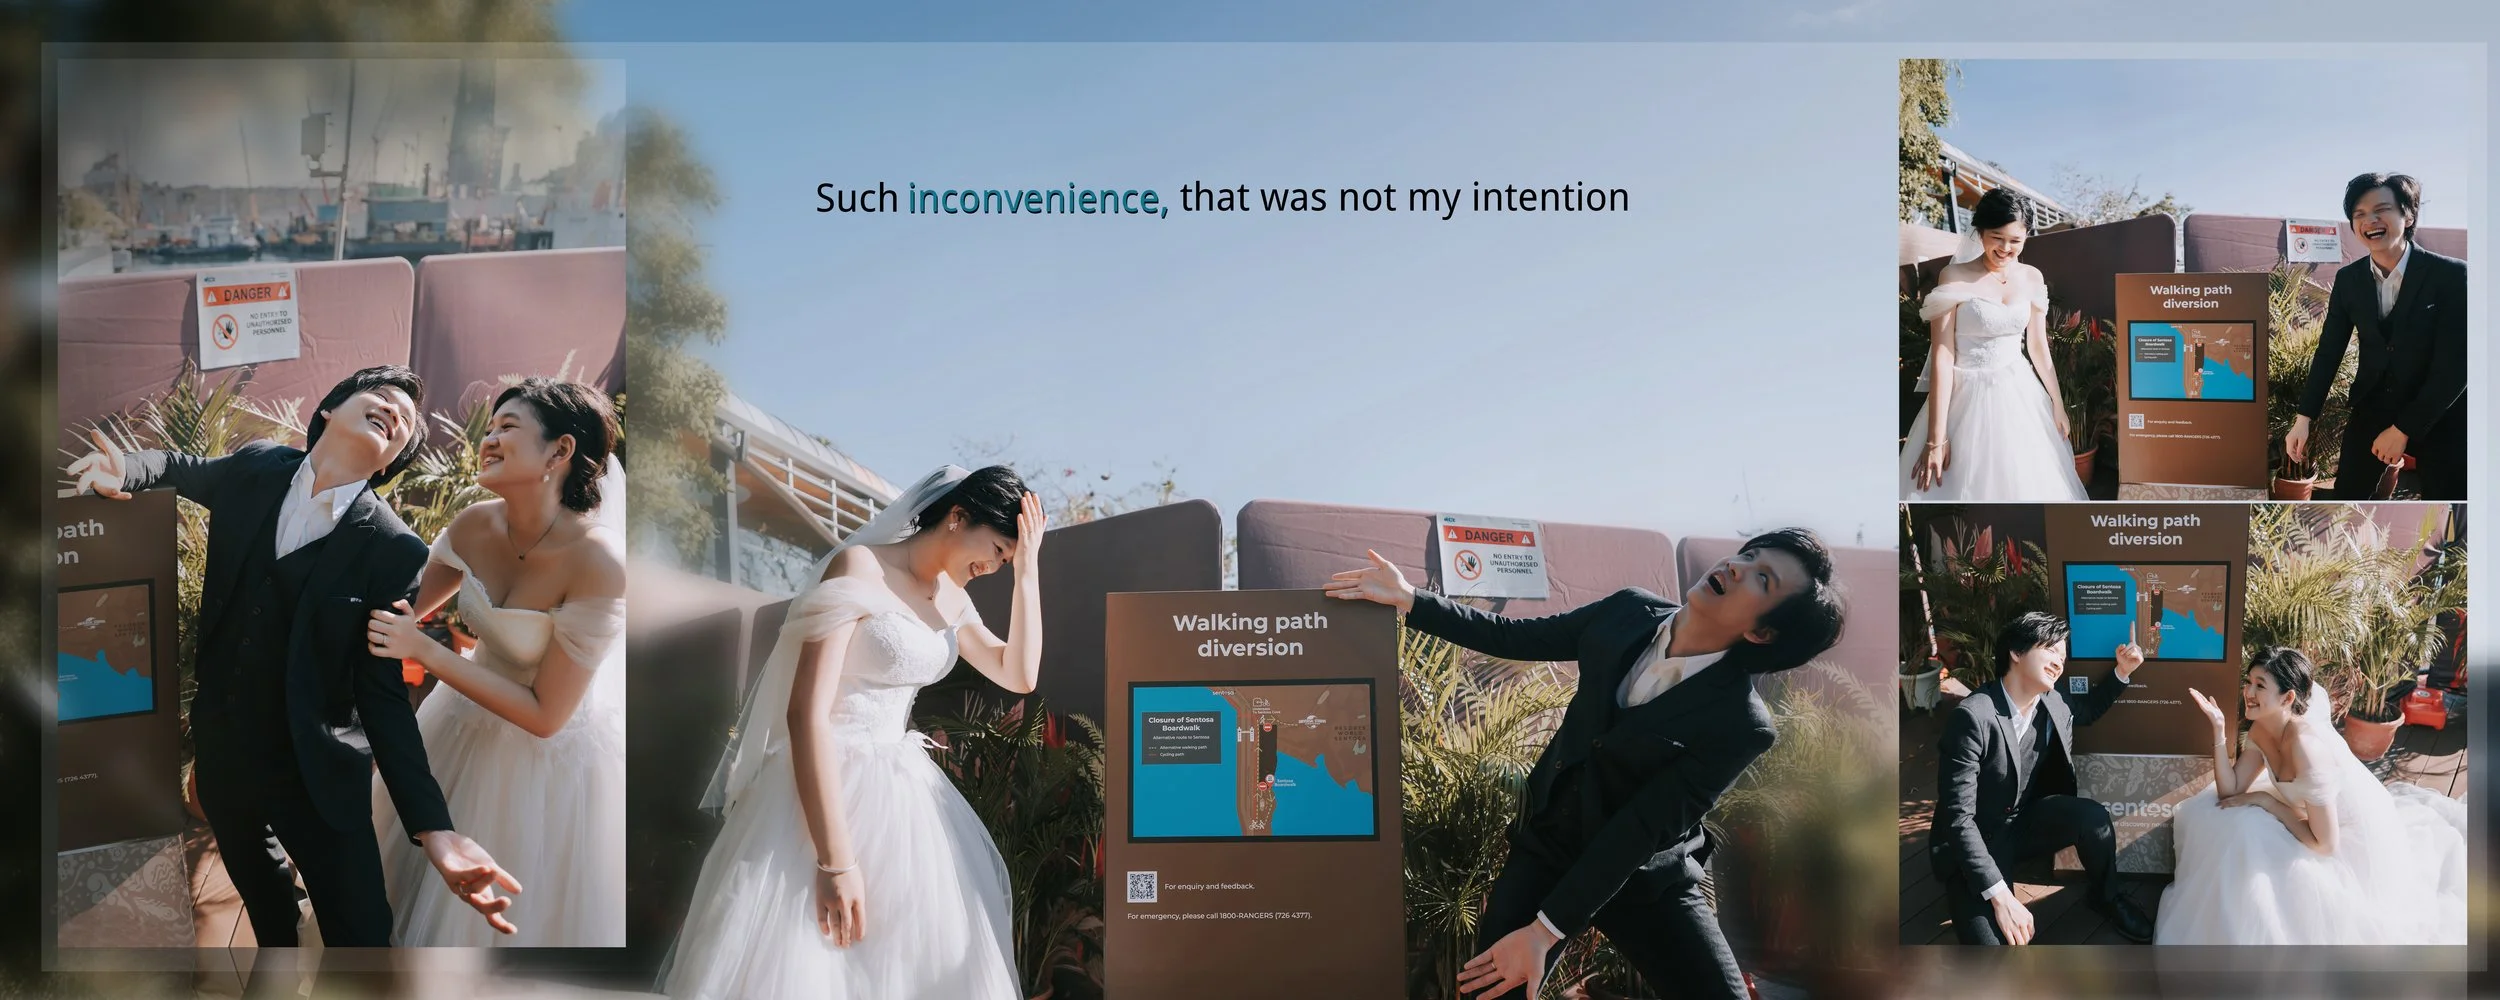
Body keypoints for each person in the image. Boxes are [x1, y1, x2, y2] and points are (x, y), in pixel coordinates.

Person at [63, 366, 520, 947]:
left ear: (390, 463)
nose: (394, 412)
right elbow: (178, 466)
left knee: (361, 933)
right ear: (329, 410)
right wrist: (125, 468)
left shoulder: (394, 549)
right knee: (263, 892)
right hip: (224, 750)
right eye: (381, 397)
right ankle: (278, 951)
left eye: (406, 421)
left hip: (317, 772)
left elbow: (382, 697)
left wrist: (435, 830)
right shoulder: (256, 469)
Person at [1325, 529, 1846, 1000]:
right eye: (1749, 554)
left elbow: (1640, 829)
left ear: (1762, 634)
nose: (1737, 566)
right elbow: (1513, 637)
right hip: (1549, 848)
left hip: (1644, 879)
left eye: (1762, 578)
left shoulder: (1741, 724)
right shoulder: (1627, 612)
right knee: (1491, 990)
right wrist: (1410, 599)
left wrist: (1544, 931)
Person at [661, 465, 1045, 1000]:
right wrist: (835, 861)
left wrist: (1027, 573)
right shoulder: (860, 566)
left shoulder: (954, 600)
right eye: (999, 550)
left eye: (1006, 560)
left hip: (907, 803)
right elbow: (805, 714)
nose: (993, 567)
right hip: (823, 790)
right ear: (958, 516)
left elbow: (1019, 674)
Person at [364, 378, 628, 946]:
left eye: (507, 427)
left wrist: (425, 651)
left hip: (545, 768)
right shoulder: (473, 525)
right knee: (393, 892)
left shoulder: (598, 562)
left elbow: (546, 716)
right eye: (489, 427)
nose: (488, 439)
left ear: (559, 451)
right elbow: (399, 612)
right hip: (457, 728)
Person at [2155, 647, 2467, 944]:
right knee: (2228, 821)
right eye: (2248, 682)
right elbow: (2230, 791)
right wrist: (2219, 731)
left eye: (2260, 685)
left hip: (2346, 840)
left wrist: (2266, 801)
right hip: (2309, 817)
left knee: (2252, 840)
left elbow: (2325, 844)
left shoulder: (2308, 748)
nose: (2248, 692)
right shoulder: (2262, 728)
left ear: (2288, 697)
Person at [1928, 613, 2152, 945]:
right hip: (1977, 840)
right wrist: (2001, 898)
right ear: (2016, 652)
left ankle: (2106, 897)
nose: (2059, 661)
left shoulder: (2053, 699)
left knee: (2093, 819)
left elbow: (2088, 710)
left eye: (2063, 655)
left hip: (2025, 823)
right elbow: (1958, 818)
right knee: (1992, 950)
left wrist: (2123, 671)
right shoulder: (1973, 717)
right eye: (2050, 649)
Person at [2284, 172, 2467, 500]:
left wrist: (2404, 429)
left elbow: (2457, 366)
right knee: (2346, 499)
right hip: (2373, 407)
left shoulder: (2452, 275)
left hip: (2439, 412)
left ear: (2408, 216)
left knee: (2447, 507)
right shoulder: (2348, 280)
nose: (2370, 220)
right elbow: (2328, 352)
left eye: (2381, 210)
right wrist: (2304, 417)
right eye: (2359, 214)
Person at [1900, 188, 2089, 502]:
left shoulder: (2032, 277)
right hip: (1964, 396)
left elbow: (2038, 346)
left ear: (2026, 236)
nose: (2005, 248)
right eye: (1996, 238)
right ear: (1980, 232)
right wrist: (1936, 437)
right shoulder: (1953, 276)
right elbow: (1943, 356)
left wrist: (2057, 402)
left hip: (2019, 393)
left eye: (2015, 240)